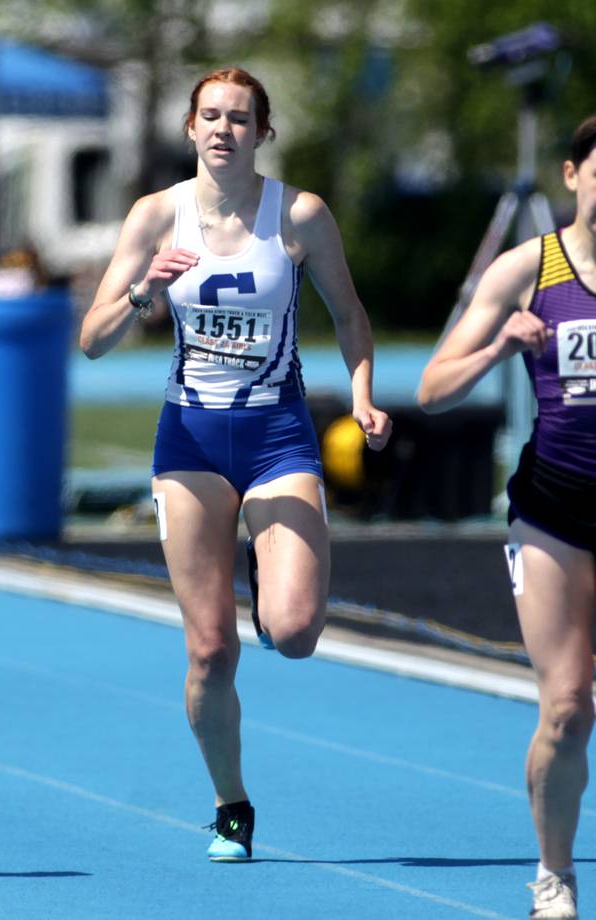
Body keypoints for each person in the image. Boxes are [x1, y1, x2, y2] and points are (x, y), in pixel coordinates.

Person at [79, 66, 392, 861]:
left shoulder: (301, 215)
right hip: (189, 441)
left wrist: (361, 394)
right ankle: (230, 805)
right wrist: (146, 291)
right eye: (210, 116)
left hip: (277, 436)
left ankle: (270, 572)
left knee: (292, 634)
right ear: (190, 129)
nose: (224, 129)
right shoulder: (155, 216)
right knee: (211, 651)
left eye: (240, 118)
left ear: (263, 132)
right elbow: (93, 339)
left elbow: (350, 314)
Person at [418, 115, 596, 920]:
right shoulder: (529, 270)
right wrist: (499, 349)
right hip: (555, 512)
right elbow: (431, 387)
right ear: (572, 175)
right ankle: (554, 876)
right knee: (567, 705)